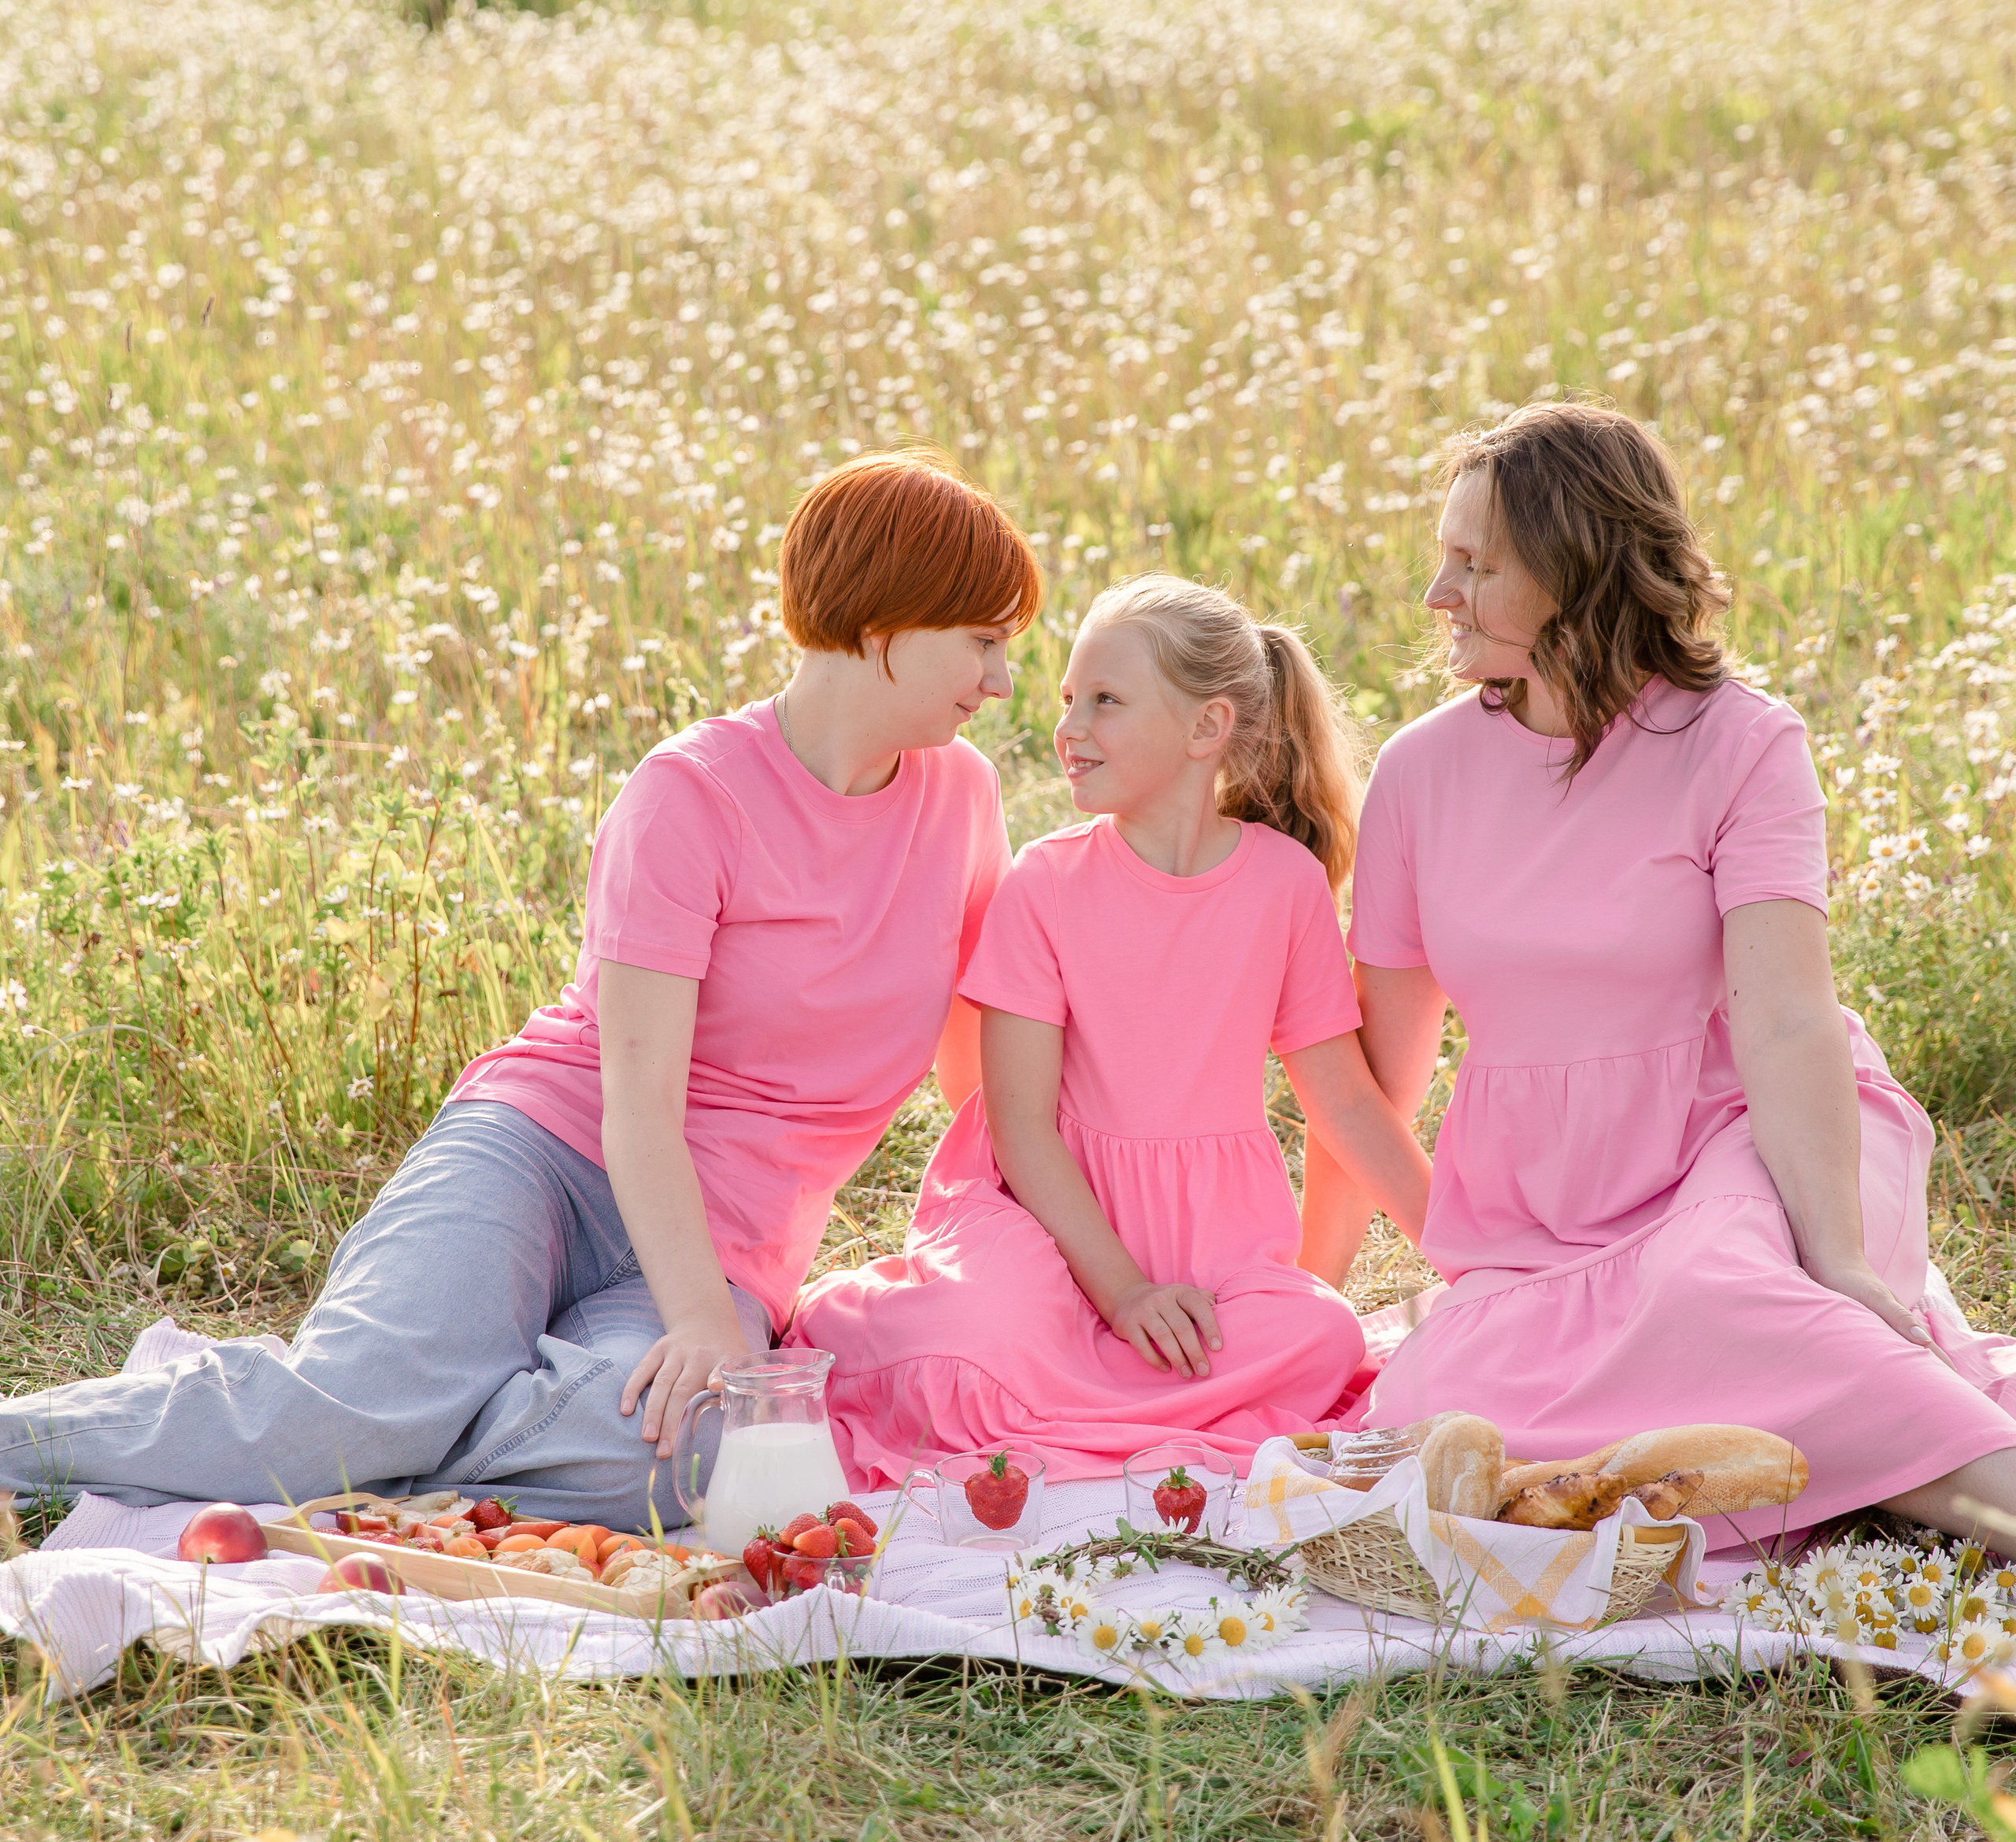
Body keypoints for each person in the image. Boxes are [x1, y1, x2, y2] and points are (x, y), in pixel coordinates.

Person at [0, 447, 1043, 1529]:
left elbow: (978, 1073)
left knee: (679, 1455)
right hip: (548, 1154)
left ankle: (378, 1436)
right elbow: (639, 1111)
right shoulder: (691, 794)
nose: (1002, 680)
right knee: (352, 1409)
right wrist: (697, 1325)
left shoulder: (962, 798)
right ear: (884, 621)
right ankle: (249, 1433)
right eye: (982, 640)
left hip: (724, 1237)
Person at [1299, 398, 2016, 1547]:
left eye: (1475, 565)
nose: (1439, 595)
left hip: (1744, 1143)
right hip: (1537, 1217)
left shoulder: (1743, 741)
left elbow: (1785, 1020)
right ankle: (1850, 1462)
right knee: (1438, 1409)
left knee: (1719, 1294)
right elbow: (1381, 1076)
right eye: (1444, 559)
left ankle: (1972, 1491)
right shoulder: (1420, 773)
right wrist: (1316, 1288)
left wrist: (1834, 1250)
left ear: (1580, 573)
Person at [791, 576, 1434, 1487]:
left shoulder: (1283, 885)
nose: (1068, 728)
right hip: (1044, 1219)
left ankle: (1072, 1411)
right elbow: (1017, 1125)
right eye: (1067, 701)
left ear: (1206, 728)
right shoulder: (1045, 885)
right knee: (984, 1338)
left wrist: (1468, 1255)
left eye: (1105, 701)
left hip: (1214, 1236)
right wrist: (1124, 1291)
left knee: (1322, 1335)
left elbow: (1343, 1100)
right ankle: (1079, 1389)